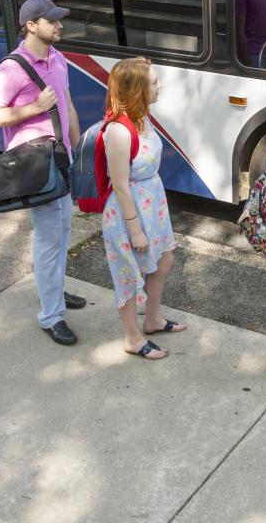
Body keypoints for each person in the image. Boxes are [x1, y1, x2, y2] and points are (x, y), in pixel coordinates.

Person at [0, 0, 84, 346]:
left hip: (61, 160)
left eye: (59, 20)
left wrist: (77, 149)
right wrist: (33, 107)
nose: (59, 26)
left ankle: (54, 290)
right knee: (48, 240)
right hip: (34, 167)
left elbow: (67, 104)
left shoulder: (58, 58)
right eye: (52, 21)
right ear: (31, 26)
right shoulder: (10, 69)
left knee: (63, 230)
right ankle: (51, 315)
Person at [101, 57, 183, 361]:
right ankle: (133, 338)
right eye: (153, 82)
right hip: (129, 213)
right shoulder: (119, 131)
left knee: (164, 261)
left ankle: (152, 320)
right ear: (136, 89)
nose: (159, 86)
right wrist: (135, 229)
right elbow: (120, 185)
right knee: (128, 275)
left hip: (152, 204)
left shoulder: (142, 118)